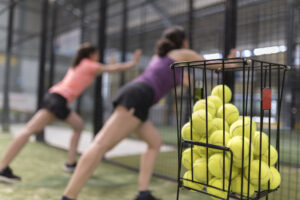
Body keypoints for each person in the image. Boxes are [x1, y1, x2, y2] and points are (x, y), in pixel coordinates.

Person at [60, 26, 237, 200]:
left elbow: (176, 80)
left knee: (154, 142)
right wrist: (231, 61)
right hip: (138, 96)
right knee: (100, 145)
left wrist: (192, 87)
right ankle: (68, 196)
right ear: (183, 42)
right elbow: (212, 65)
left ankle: (143, 193)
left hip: (140, 99)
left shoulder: (162, 57)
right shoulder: (182, 53)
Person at [0, 43, 142, 183]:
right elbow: (113, 69)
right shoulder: (88, 64)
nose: (98, 57)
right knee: (29, 130)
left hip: (56, 98)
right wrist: (133, 63)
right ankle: (2, 168)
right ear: (91, 55)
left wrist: (112, 65)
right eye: (97, 54)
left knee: (78, 125)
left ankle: (70, 163)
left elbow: (110, 68)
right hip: (58, 99)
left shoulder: (80, 64)